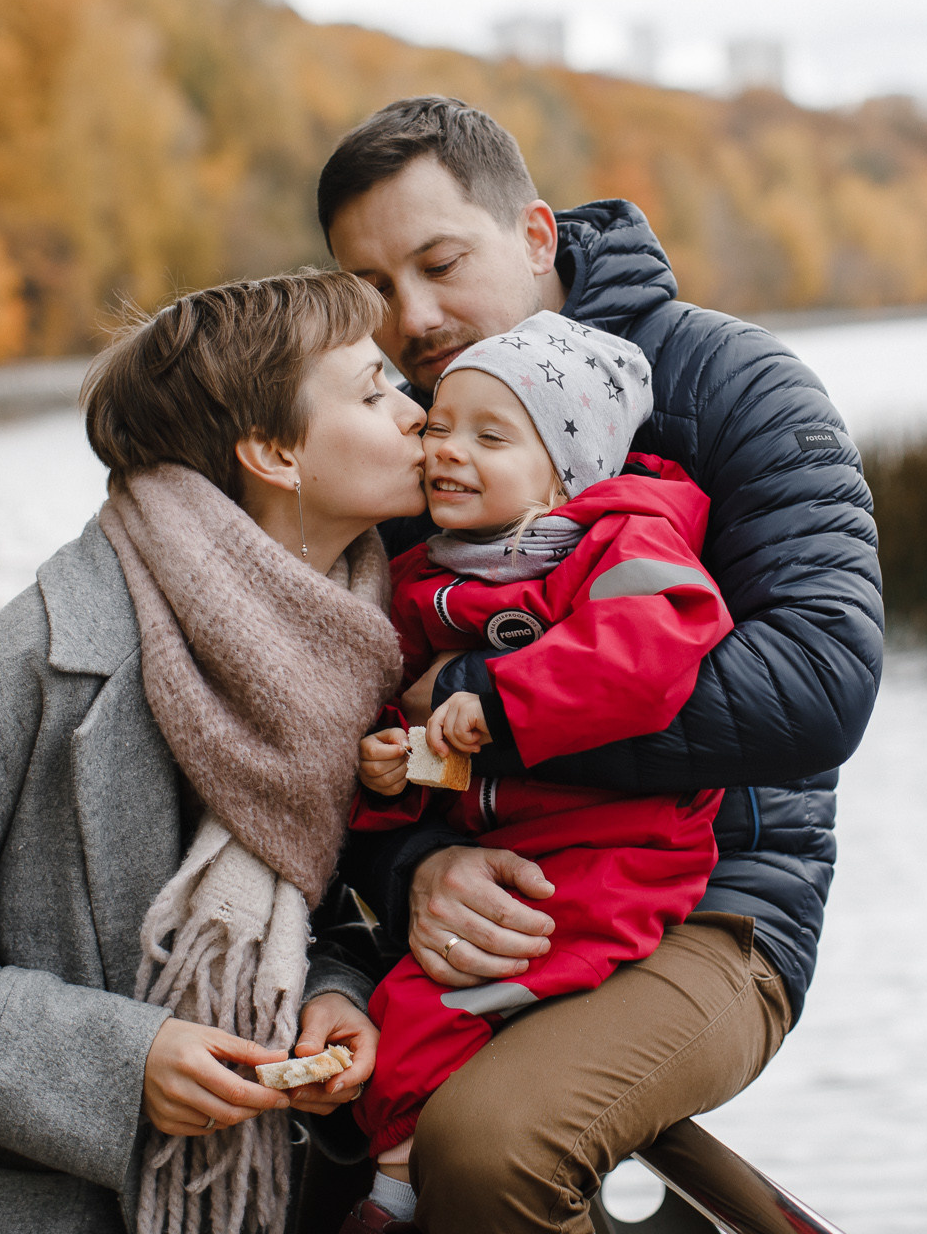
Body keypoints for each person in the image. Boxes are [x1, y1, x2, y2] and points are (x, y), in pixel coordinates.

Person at [321, 96, 883, 1234]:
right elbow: (358, 717)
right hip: (501, 893)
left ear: (535, 238)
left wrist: (500, 721)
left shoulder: (731, 384)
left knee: (485, 1149)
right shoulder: (409, 446)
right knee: (312, 1102)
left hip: (721, 902)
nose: (413, 317)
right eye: (375, 290)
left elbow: (821, 682)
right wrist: (424, 861)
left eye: (440, 263)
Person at [0, 271, 424, 1234]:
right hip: (15, 1199)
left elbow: (333, 894)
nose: (415, 413)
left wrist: (337, 992)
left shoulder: (358, 637)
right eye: (375, 391)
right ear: (273, 453)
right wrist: (124, 1065)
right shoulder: (52, 649)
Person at [341, 312, 732, 1232]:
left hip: (623, 852)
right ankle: (396, 1180)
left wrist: (508, 700)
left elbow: (652, 645)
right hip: (516, 846)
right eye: (439, 426)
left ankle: (393, 1196)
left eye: (490, 435)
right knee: (402, 1003)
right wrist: (396, 767)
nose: (448, 451)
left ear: (564, 471)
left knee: (436, 1003)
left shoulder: (620, 540)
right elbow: (415, 720)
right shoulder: (426, 578)